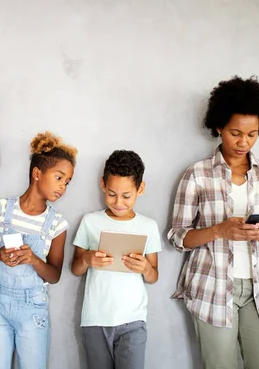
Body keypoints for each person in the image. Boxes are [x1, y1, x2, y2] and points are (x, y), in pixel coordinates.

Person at [168, 76, 259, 369]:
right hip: (211, 287)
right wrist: (219, 230)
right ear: (219, 127)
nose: (243, 142)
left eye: (252, 134)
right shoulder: (196, 174)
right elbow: (177, 237)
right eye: (235, 133)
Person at [0, 132, 76, 369]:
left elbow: (54, 274)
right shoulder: (0, 209)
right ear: (37, 173)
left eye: (67, 182)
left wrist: (33, 260)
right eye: (59, 177)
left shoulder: (57, 224)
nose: (63, 186)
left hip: (33, 310)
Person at [71, 150, 162, 369]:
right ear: (103, 185)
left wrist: (145, 268)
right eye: (112, 194)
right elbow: (75, 269)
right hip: (95, 320)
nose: (118, 202)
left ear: (140, 189)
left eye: (126, 196)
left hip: (133, 320)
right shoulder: (90, 221)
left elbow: (154, 276)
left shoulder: (148, 226)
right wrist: (87, 258)